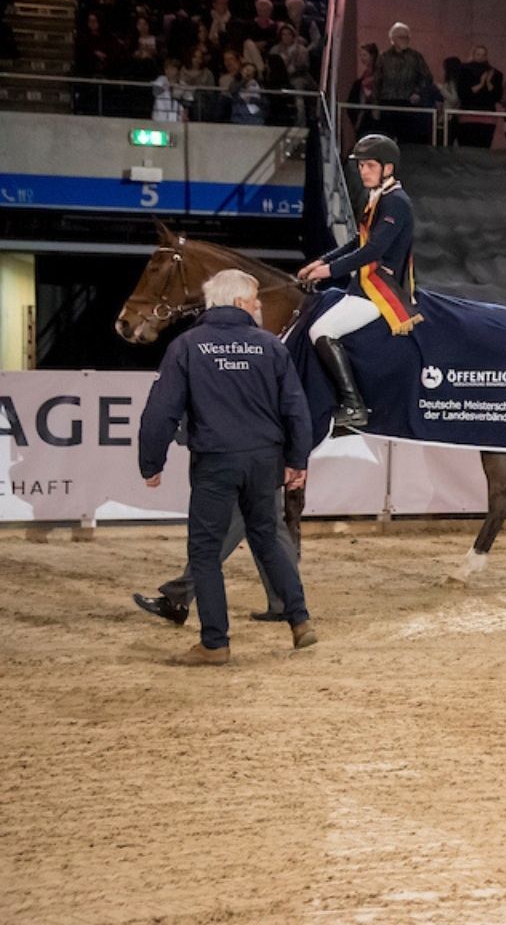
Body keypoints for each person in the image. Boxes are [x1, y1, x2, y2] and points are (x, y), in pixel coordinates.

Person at [137, 269, 315, 664]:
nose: (258, 307)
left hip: (216, 461)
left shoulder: (187, 346)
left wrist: (151, 462)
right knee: (267, 539)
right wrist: (297, 460)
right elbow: (295, 409)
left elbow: (160, 411)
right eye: (255, 302)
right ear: (237, 303)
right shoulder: (271, 347)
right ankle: (300, 621)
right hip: (264, 459)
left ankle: (215, 644)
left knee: (203, 551)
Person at [295, 134, 421, 428]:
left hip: (382, 290)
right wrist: (322, 260)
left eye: (369, 166)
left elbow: (374, 250)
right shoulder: (378, 197)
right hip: (364, 285)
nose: (363, 171)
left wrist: (329, 272)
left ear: (387, 168)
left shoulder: (396, 202)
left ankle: (354, 405)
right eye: (361, 166)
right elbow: (358, 240)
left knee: (321, 330)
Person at [133, 492, 299, 624]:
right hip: (268, 459)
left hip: (246, 459)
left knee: (231, 526)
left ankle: (178, 598)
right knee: (270, 525)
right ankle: (287, 603)